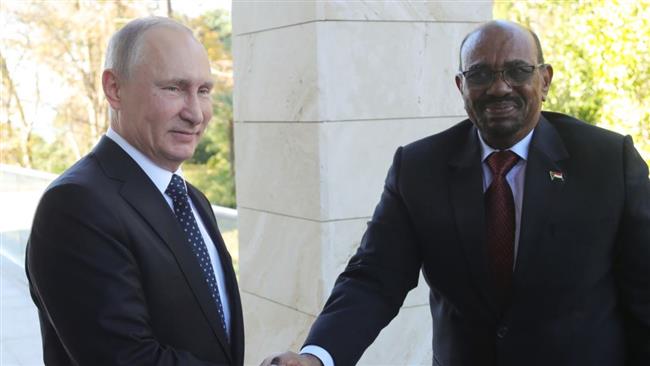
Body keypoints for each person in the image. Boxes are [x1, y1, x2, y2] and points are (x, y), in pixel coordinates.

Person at [261, 20, 650, 366]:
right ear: (461, 85)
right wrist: (317, 357)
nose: (499, 87)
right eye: (480, 74)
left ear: (545, 80)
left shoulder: (607, 162)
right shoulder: (417, 168)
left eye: (517, 71)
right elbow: (374, 277)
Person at [26, 17, 244, 365]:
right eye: (174, 88)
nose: (195, 113)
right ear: (114, 89)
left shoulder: (191, 199)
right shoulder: (75, 205)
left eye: (204, 91)